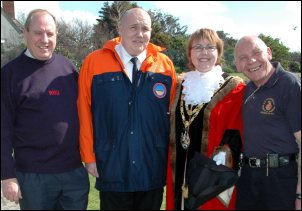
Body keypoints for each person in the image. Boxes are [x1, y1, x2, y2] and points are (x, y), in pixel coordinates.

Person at [77, 7, 177, 210]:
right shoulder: (94, 62)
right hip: (112, 165)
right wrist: (88, 156)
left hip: (152, 166)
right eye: (133, 27)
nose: (140, 34)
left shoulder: (165, 66)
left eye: (145, 29)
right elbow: (84, 112)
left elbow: (173, 118)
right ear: (120, 29)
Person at [1, 9, 89, 210]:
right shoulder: (9, 74)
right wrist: (7, 175)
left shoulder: (68, 69)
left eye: (50, 33)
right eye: (38, 33)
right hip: (34, 177)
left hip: (73, 173)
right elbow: (2, 129)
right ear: (25, 33)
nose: (45, 39)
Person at [165, 28, 245, 210]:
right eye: (198, 47)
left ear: (218, 53)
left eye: (210, 47)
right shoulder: (179, 86)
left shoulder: (233, 88)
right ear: (190, 53)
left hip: (212, 177)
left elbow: (236, 134)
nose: (204, 53)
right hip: (179, 170)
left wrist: (216, 169)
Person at [234, 35, 301, 210]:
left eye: (257, 53)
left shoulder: (289, 84)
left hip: (281, 179)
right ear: (237, 64)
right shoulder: (247, 89)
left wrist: (300, 193)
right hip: (248, 178)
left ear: (269, 53)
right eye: (243, 58)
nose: (251, 61)